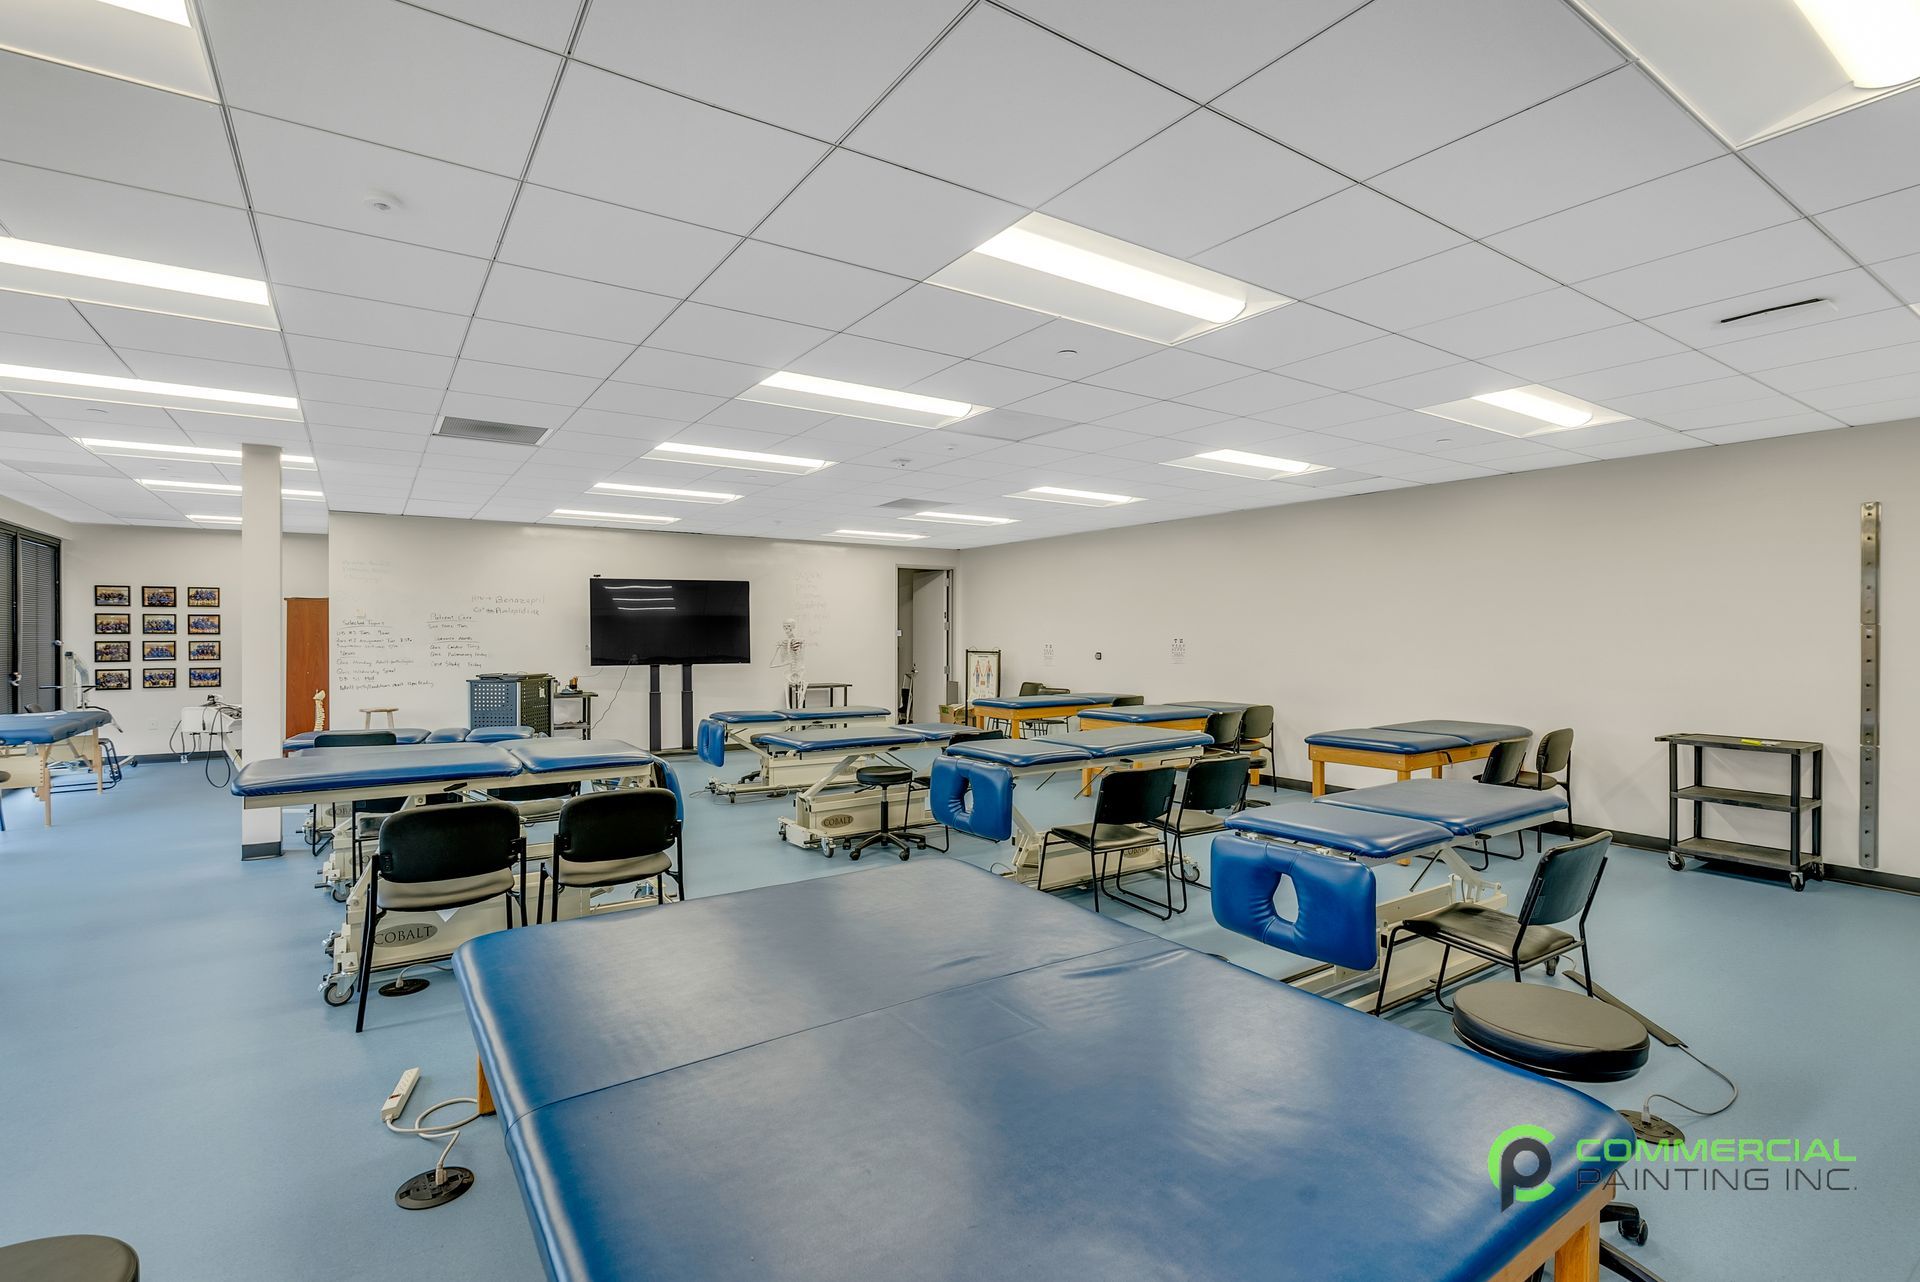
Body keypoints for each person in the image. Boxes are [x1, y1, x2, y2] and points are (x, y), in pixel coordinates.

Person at [769, 617, 806, 709]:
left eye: (789, 626)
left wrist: (799, 647)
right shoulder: (784, 643)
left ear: (794, 627)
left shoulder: (799, 641)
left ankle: (800, 713)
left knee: (801, 689)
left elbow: (801, 657)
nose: (787, 629)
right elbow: (780, 661)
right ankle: (788, 710)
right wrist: (778, 648)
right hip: (789, 671)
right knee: (786, 684)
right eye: (784, 627)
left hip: (799, 670)